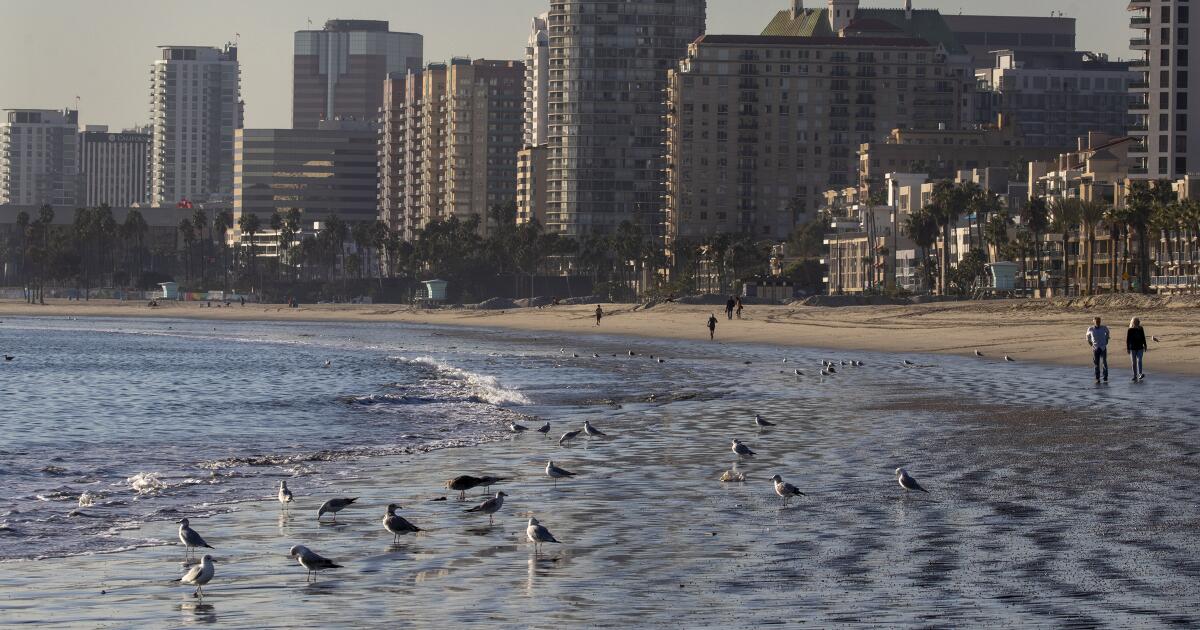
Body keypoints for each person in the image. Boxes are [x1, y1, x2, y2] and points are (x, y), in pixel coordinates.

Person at [1086, 316, 1110, 383]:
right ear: (1094, 322)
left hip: (1103, 347)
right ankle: (1097, 378)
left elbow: (1107, 333)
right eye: (1097, 321)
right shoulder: (1090, 329)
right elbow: (1087, 336)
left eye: (1099, 321)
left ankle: (1105, 377)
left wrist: (1107, 339)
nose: (1098, 323)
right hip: (1095, 348)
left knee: (1104, 363)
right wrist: (1090, 343)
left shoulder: (1104, 328)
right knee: (1096, 364)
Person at [1126, 317, 1148, 382]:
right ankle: (1135, 376)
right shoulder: (1130, 330)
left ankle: (1140, 374)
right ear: (1133, 322)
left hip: (1140, 347)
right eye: (1137, 321)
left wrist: (1145, 345)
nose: (1138, 322)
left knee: (1139, 360)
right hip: (1132, 348)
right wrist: (1128, 348)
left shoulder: (1141, 328)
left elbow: (1143, 337)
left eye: (1138, 321)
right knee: (1134, 362)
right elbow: (1128, 340)